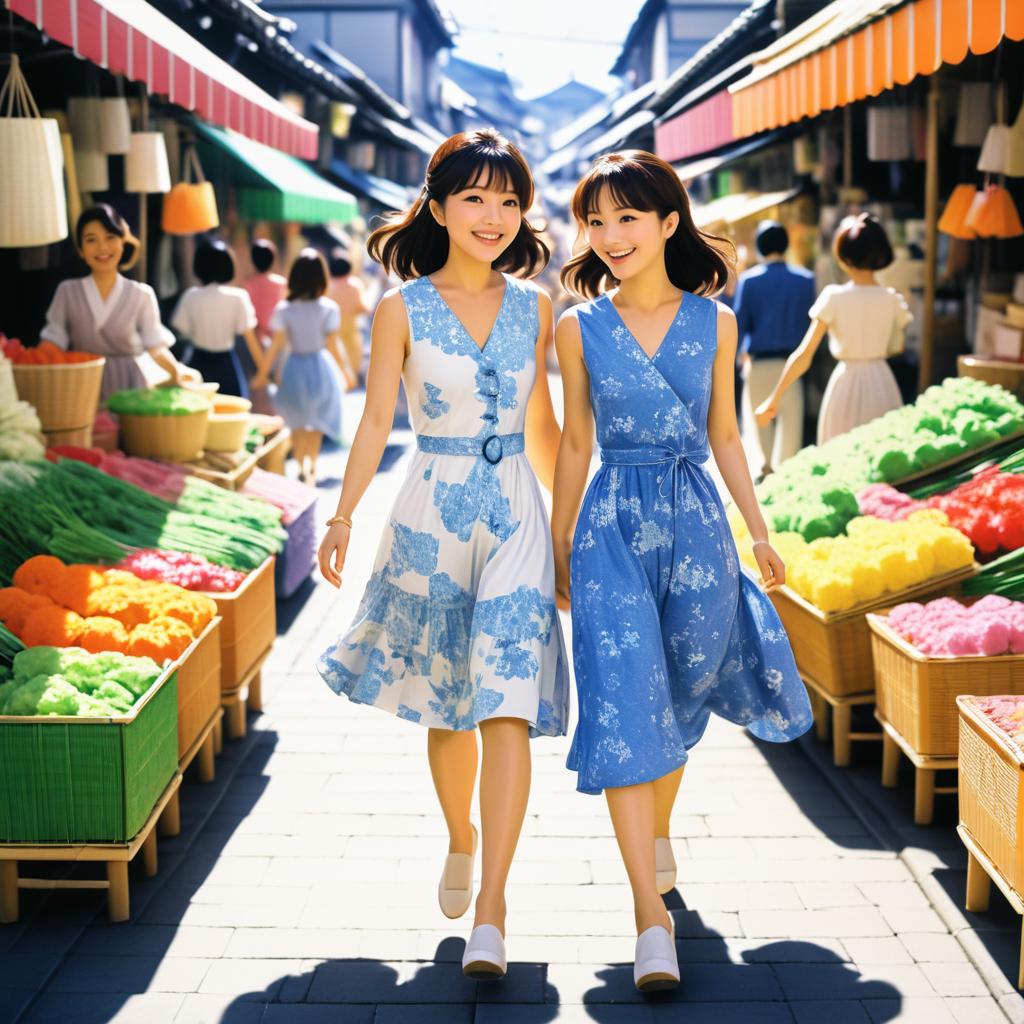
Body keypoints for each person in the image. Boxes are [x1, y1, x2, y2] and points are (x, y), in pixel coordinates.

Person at [551, 151, 813, 992]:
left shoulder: (719, 321)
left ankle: (657, 830)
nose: (609, 235)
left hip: (698, 522)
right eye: (596, 220)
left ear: (670, 223)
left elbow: (728, 436)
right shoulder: (577, 324)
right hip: (612, 531)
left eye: (628, 217)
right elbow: (575, 443)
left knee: (683, 689)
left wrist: (760, 532)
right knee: (628, 698)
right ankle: (648, 919)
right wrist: (559, 542)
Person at [315, 129, 569, 981]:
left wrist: (568, 534)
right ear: (438, 205)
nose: (494, 216)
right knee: (449, 702)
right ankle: (460, 835)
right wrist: (343, 516)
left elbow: (544, 430)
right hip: (431, 514)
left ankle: (493, 907)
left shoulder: (538, 306)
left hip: (517, 521)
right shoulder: (401, 309)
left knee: (506, 702)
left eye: (508, 201)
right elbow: (376, 421)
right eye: (475, 199)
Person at [756, 213, 912, 444]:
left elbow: (804, 355)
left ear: (844, 257)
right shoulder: (893, 299)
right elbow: (896, 347)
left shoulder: (833, 297)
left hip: (846, 384)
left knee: (841, 459)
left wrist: (774, 399)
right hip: (882, 384)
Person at [40, 204, 194, 401]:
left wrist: (177, 374)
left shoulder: (141, 294)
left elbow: (155, 347)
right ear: (80, 249)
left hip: (132, 390)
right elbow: (53, 341)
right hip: (82, 389)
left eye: (110, 237)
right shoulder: (68, 291)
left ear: (123, 242)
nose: (102, 247)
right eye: (91, 240)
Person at [254, 250, 349, 484]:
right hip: (320, 366)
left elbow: (275, 346)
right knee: (316, 421)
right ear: (321, 278)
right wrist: (346, 372)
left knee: (296, 420)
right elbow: (334, 346)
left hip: (294, 367)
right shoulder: (328, 308)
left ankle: (299, 463)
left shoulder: (285, 309)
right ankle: (312, 465)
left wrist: (262, 374)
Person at [732, 221, 815, 474]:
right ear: (786, 245)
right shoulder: (806, 280)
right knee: (791, 431)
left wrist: (737, 358)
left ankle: (767, 472)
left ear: (759, 247)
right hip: (795, 364)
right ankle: (787, 477)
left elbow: (739, 323)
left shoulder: (749, 280)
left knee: (761, 427)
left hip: (759, 363)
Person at [171, 240, 261, 399]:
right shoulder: (238, 297)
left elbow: (181, 330)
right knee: (232, 408)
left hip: (197, 362)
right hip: (226, 363)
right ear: (229, 266)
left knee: (196, 408)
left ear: (198, 266)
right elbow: (248, 334)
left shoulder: (191, 296)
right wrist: (262, 369)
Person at [327, 247, 369, 388]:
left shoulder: (329, 286)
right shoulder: (355, 284)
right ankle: (352, 380)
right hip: (351, 326)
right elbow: (362, 307)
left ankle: (340, 379)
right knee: (354, 354)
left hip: (333, 326)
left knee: (335, 353)